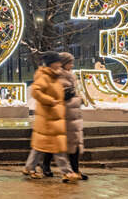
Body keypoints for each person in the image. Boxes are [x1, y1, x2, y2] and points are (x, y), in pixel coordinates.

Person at [22, 51, 80, 183]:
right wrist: (50, 101)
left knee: (39, 148)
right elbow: (35, 91)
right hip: (48, 118)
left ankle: (29, 167)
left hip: (53, 117)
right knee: (57, 147)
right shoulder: (45, 77)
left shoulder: (54, 76)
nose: (60, 64)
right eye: (57, 61)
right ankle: (67, 172)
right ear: (52, 63)